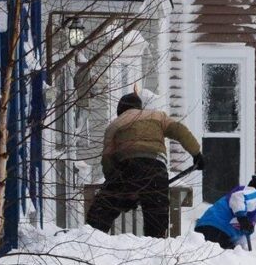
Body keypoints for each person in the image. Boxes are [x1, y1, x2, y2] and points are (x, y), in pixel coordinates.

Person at [86, 93, 203, 238]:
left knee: (101, 211)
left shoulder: (114, 125)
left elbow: (108, 160)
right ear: (139, 107)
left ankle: (90, 239)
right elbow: (180, 131)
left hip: (128, 167)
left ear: (120, 110)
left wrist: (121, 191)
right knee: (156, 217)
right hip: (156, 169)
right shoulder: (158, 116)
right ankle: (156, 247)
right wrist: (197, 154)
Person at [194, 176, 256, 250]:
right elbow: (238, 197)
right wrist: (242, 219)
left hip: (204, 228)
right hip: (218, 229)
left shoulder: (246, 200)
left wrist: (248, 227)